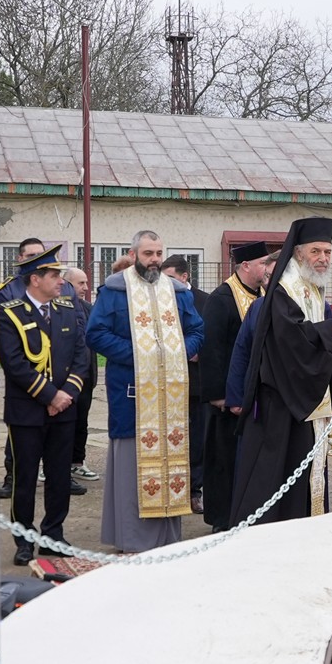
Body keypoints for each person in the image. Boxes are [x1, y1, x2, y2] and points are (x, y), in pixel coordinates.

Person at [230, 217, 332, 525]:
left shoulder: (311, 287)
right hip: (282, 405)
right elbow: (290, 341)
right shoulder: (284, 290)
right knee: (276, 478)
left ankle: (305, 528)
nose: (323, 258)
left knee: (303, 475)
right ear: (298, 252)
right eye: (316, 251)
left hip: (305, 401)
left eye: (327, 252)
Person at [86, 231, 204, 552]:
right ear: (133, 253)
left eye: (158, 253)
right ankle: (133, 538)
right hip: (131, 392)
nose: (154, 259)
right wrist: (140, 354)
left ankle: (167, 537)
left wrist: (178, 351)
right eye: (148, 253)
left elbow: (196, 329)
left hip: (171, 398)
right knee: (131, 466)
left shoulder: (176, 291)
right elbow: (96, 334)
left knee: (171, 463)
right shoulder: (114, 290)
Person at [0, 245, 90, 566]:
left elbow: (81, 355)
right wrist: (51, 396)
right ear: (35, 279)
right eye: (54, 275)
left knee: (59, 477)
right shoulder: (9, 313)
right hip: (27, 412)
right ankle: (24, 538)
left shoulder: (67, 310)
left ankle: (53, 535)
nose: (61, 281)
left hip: (64, 411)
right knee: (24, 478)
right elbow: (14, 363)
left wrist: (66, 395)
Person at [199, 241, 270, 531]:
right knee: (223, 459)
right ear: (245, 266)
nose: (267, 269)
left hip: (253, 395)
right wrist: (219, 394)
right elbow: (211, 348)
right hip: (227, 399)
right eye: (263, 263)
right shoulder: (222, 298)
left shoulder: (264, 295)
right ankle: (221, 518)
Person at [161, 255, 210, 513]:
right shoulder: (160, 300)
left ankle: (194, 491)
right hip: (167, 383)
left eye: (170, 278)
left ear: (184, 276)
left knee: (197, 439)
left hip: (197, 381)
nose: (166, 284)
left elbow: (212, 336)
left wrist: (198, 350)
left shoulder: (205, 301)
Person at [62, 266, 101, 484]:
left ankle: (77, 462)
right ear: (67, 284)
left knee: (81, 423)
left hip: (86, 377)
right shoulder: (58, 308)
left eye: (86, 283)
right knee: (61, 426)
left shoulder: (88, 309)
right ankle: (51, 465)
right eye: (81, 283)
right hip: (64, 380)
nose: (86, 288)